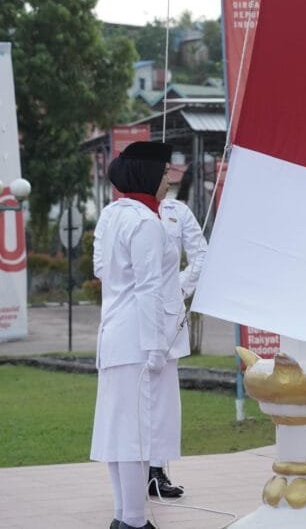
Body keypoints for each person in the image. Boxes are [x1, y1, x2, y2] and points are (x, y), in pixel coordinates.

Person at [91, 141, 176, 529]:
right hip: (137, 340)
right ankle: (136, 521)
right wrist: (156, 346)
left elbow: (100, 269)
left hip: (115, 335)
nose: (168, 181)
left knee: (119, 432)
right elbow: (148, 290)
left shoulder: (113, 215)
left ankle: (124, 517)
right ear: (148, 174)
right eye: (164, 173)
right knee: (137, 434)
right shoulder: (144, 221)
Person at [147, 166, 209, 498]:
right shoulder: (125, 214)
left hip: (168, 316)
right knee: (135, 395)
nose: (166, 181)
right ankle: (134, 466)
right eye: (161, 175)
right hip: (136, 316)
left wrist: (178, 288)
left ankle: (157, 470)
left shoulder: (178, 212)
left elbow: (200, 256)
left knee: (165, 397)